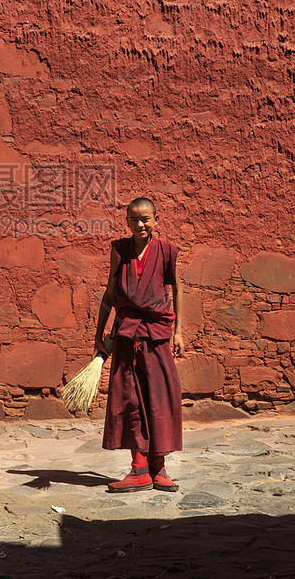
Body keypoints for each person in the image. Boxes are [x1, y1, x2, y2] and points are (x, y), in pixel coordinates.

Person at [93, 197, 184, 492]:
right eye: (134, 219)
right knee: (130, 399)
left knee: (160, 397)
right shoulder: (119, 250)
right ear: (127, 222)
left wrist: (179, 331)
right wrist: (98, 336)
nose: (140, 224)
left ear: (156, 220)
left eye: (145, 219)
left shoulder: (166, 251)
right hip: (125, 333)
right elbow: (109, 293)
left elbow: (176, 290)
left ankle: (159, 467)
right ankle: (139, 468)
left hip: (156, 334)